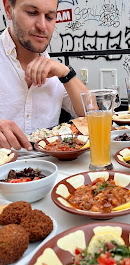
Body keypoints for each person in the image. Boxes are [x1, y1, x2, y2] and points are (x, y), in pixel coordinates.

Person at [0, 0, 88, 151]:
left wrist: (66, 73)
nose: (42, 26)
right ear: (9, 10)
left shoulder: (56, 71)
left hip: (53, 169)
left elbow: (95, 113)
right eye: (32, 13)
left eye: (49, 17)